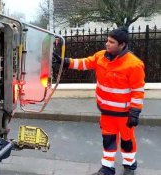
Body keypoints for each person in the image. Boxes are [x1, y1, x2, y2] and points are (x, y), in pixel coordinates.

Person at [54, 27, 145, 175]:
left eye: (111, 42)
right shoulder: (101, 56)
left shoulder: (134, 64)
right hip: (106, 112)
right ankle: (107, 168)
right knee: (108, 140)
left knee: (127, 141)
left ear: (122, 45)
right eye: (107, 41)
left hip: (124, 114)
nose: (107, 44)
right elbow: (85, 63)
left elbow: (138, 90)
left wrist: (135, 112)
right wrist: (65, 62)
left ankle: (129, 166)